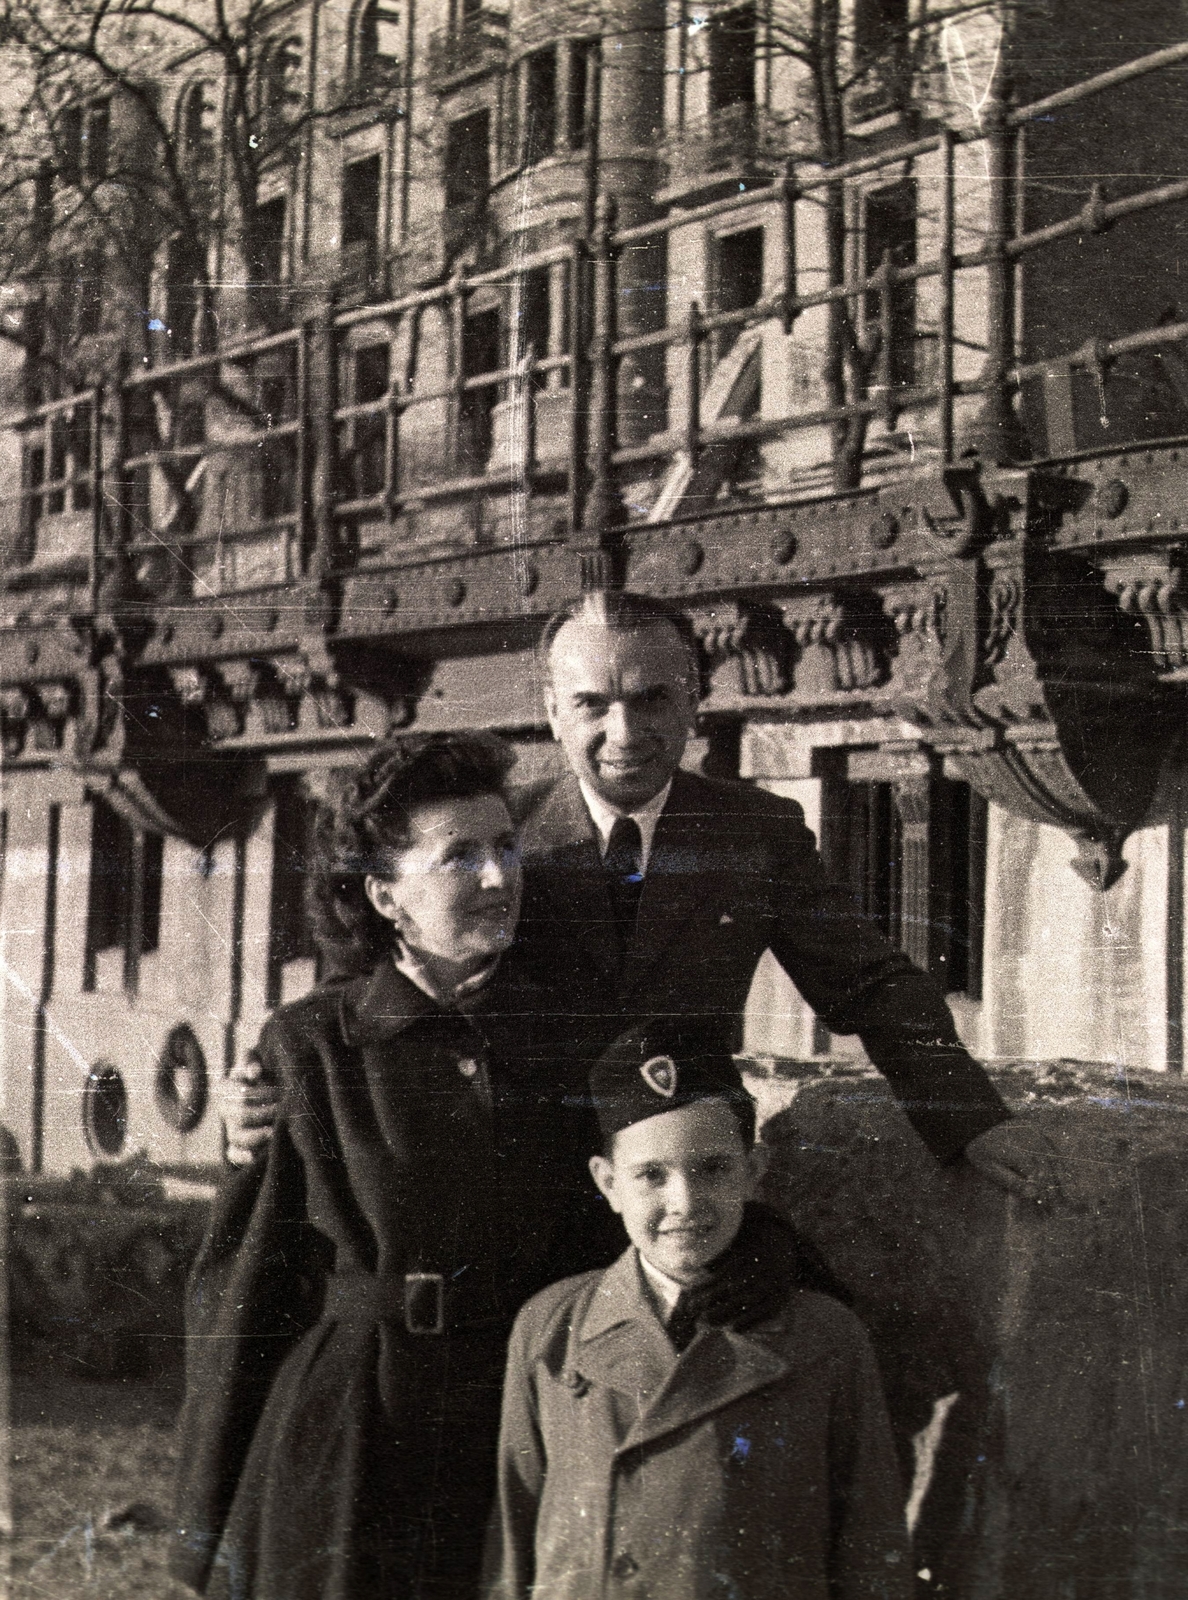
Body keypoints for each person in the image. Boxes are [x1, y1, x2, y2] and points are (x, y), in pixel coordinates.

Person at [170, 733, 801, 1600]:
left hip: (526, 1415)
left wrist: (761, 1253)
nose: (501, 877)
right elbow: (244, 1285)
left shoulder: (582, 1034)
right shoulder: (313, 1045)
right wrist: (205, 1521)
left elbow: (685, 1167)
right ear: (386, 892)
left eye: (506, 846)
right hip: (353, 1434)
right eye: (460, 855)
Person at [223, 591, 1059, 1199]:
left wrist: (970, 1120)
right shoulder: (492, 834)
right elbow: (364, 988)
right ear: (553, 712)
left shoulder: (754, 832)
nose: (624, 734)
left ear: (695, 700)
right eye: (592, 704)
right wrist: (260, 1095)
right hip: (519, 1174)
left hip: (686, 1180)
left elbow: (870, 983)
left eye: (652, 699)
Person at [484, 1018, 911, 1600]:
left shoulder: (823, 1336)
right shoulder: (552, 1325)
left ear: (754, 1170)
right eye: (650, 1176)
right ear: (607, 1183)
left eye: (712, 1169)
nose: (683, 1202)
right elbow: (514, 1534)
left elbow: (870, 1546)